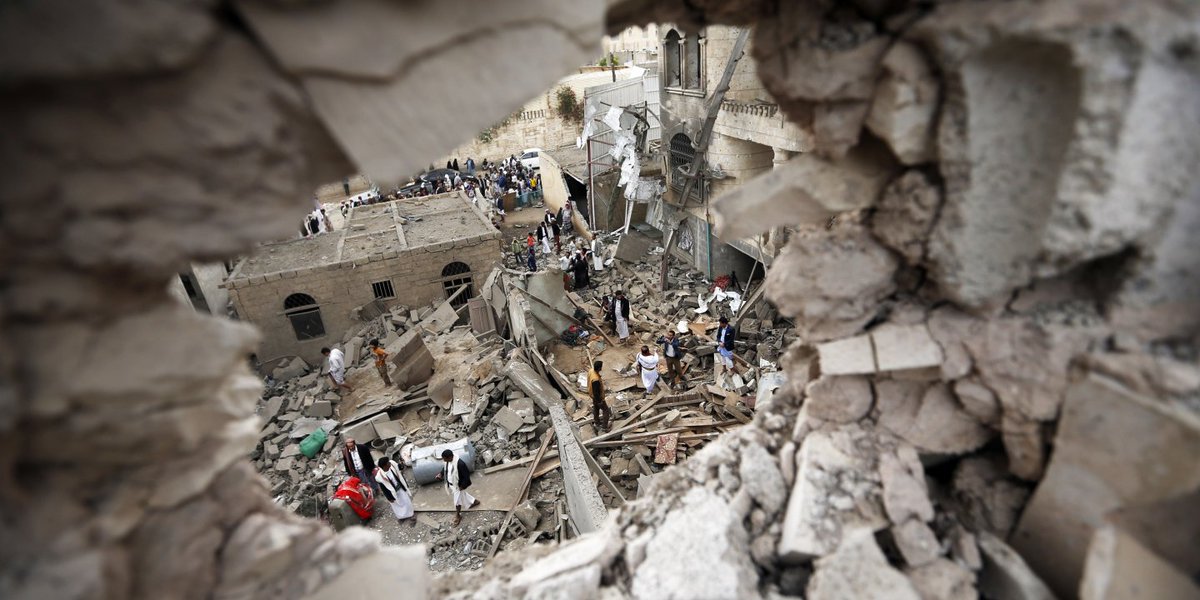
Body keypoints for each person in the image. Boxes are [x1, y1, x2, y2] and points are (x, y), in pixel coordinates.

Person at [436, 449, 479, 526]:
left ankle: (458, 515)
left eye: (445, 459)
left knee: (457, 502)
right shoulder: (447, 462)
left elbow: (466, 476)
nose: (444, 460)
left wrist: (462, 486)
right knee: (463, 495)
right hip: (452, 485)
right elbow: (445, 468)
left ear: (450, 457)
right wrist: (441, 474)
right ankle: (474, 501)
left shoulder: (460, 464)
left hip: (458, 486)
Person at [374, 457, 414, 524]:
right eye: (388, 463)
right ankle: (402, 517)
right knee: (397, 505)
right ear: (384, 466)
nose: (390, 463)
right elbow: (383, 488)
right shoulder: (379, 477)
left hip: (400, 487)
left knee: (406, 501)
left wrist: (402, 465)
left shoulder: (392, 464)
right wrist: (389, 498)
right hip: (392, 492)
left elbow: (399, 467)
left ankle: (411, 514)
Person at [714, 316, 737, 388]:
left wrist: (724, 344)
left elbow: (731, 339)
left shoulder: (731, 329)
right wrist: (719, 342)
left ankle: (732, 370)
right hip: (721, 345)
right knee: (722, 357)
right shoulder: (720, 328)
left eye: (721, 323)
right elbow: (718, 336)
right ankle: (724, 368)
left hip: (727, 346)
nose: (720, 324)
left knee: (728, 358)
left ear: (724, 323)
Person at [588, 361, 611, 431]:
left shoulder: (591, 371)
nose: (601, 368)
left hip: (592, 395)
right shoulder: (596, 380)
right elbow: (596, 392)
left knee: (596, 408)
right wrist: (600, 401)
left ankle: (597, 423)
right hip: (597, 397)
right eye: (601, 367)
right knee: (606, 410)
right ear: (599, 368)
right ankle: (604, 427)